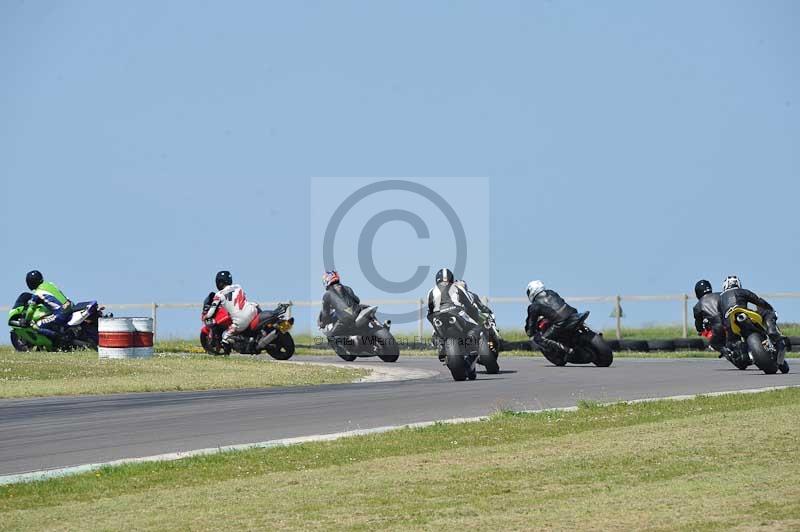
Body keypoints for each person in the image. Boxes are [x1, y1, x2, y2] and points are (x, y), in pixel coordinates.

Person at [718, 275, 789, 373]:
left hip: (731, 324)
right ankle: (772, 330)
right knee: (767, 312)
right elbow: (758, 300)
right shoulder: (742, 291)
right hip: (743, 315)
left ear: (725, 286)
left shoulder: (720, 299)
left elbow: (720, 317)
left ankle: (744, 353)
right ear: (738, 284)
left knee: (734, 344)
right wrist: (770, 308)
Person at [427, 268, 483, 362]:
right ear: (451, 278)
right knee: (476, 327)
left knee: (434, 334)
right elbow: (469, 303)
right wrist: (473, 314)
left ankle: (441, 346)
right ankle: (471, 345)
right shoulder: (458, 287)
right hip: (456, 312)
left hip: (437, 316)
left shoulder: (431, 291)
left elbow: (430, 310)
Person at [524, 280, 580, 360]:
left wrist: (531, 333)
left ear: (532, 291)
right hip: (573, 313)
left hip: (559, 322)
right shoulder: (552, 292)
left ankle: (566, 349)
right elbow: (562, 302)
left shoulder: (534, 306)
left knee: (539, 338)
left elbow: (531, 323)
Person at [203, 271, 258, 349]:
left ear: (219, 283)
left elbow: (211, 311)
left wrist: (206, 316)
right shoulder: (238, 287)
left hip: (240, 321)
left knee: (225, 337)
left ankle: (245, 344)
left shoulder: (219, 295)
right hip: (253, 311)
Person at [22, 270, 73, 340]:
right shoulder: (51, 284)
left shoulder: (37, 294)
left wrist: (26, 320)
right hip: (71, 305)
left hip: (61, 313)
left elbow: (30, 310)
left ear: (30, 283)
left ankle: (60, 339)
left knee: (36, 326)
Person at [318, 270, 363, 342]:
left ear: (326, 281)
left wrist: (322, 324)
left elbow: (325, 313)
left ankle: (347, 346)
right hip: (358, 312)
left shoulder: (327, 295)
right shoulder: (347, 288)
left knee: (331, 336)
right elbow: (357, 300)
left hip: (345, 319)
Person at [692, 279, 728, 355]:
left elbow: (698, 323)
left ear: (697, 292)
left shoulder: (697, 306)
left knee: (713, 344)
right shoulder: (721, 295)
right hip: (730, 322)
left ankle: (728, 353)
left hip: (718, 328)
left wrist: (700, 330)